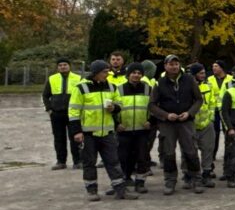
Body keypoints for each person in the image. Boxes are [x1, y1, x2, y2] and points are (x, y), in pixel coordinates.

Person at [69, 60, 133, 201]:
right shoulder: (81, 88)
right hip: (87, 133)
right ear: (96, 72)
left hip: (107, 133)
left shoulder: (111, 87)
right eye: (104, 72)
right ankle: (92, 191)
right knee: (89, 162)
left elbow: (119, 103)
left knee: (113, 161)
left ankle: (120, 190)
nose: (107, 74)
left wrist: (114, 108)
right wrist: (77, 132)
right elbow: (73, 111)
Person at [149, 55, 204, 196]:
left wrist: (190, 113)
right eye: (171, 64)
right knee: (169, 152)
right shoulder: (159, 83)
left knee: (191, 151)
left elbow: (198, 99)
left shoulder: (189, 80)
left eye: (176, 64)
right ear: (165, 66)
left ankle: (196, 178)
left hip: (186, 121)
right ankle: (170, 180)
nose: (174, 66)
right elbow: (152, 105)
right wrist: (166, 115)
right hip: (168, 123)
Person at [116, 63, 153, 193]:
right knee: (123, 157)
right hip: (124, 130)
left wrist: (151, 121)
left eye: (139, 73)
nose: (136, 75)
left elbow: (153, 107)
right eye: (133, 72)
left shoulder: (148, 89)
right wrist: (116, 124)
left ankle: (140, 182)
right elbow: (113, 109)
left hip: (142, 130)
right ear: (128, 74)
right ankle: (125, 178)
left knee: (142, 157)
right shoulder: (119, 89)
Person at [43, 57, 82, 170]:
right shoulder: (52, 78)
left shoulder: (78, 78)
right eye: (60, 65)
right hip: (56, 114)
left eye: (65, 65)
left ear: (69, 66)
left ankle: (78, 161)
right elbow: (45, 95)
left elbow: (82, 95)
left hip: (73, 113)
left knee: (75, 137)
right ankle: (61, 161)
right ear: (57, 67)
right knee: (59, 138)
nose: (63, 67)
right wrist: (49, 109)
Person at [188, 63, 217, 188]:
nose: (204, 75)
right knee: (190, 152)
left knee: (208, 150)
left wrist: (210, 119)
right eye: (201, 73)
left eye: (204, 72)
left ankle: (206, 174)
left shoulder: (208, 86)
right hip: (190, 124)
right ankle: (190, 176)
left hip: (206, 124)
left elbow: (212, 103)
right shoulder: (186, 87)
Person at [209, 60, 233, 164]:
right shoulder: (209, 79)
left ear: (222, 68)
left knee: (227, 131)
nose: (214, 68)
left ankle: (228, 155)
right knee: (214, 134)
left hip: (227, 109)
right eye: (213, 66)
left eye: (216, 66)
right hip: (214, 109)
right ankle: (212, 155)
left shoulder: (231, 79)